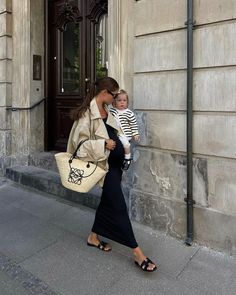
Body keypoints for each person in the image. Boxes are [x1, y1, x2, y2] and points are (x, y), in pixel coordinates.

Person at [67, 77, 157, 272]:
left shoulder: (108, 111)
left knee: (108, 202)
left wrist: (124, 151)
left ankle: (93, 237)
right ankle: (137, 252)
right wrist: (103, 144)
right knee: (118, 205)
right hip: (102, 169)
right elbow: (78, 146)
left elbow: (117, 132)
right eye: (114, 95)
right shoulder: (86, 114)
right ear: (105, 93)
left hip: (115, 166)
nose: (116, 99)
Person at [110, 89, 140, 170]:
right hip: (116, 133)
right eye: (119, 100)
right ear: (114, 102)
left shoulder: (129, 113)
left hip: (124, 134)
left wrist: (135, 134)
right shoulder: (112, 111)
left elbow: (133, 124)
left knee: (126, 145)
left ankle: (127, 159)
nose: (122, 102)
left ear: (127, 102)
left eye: (124, 100)